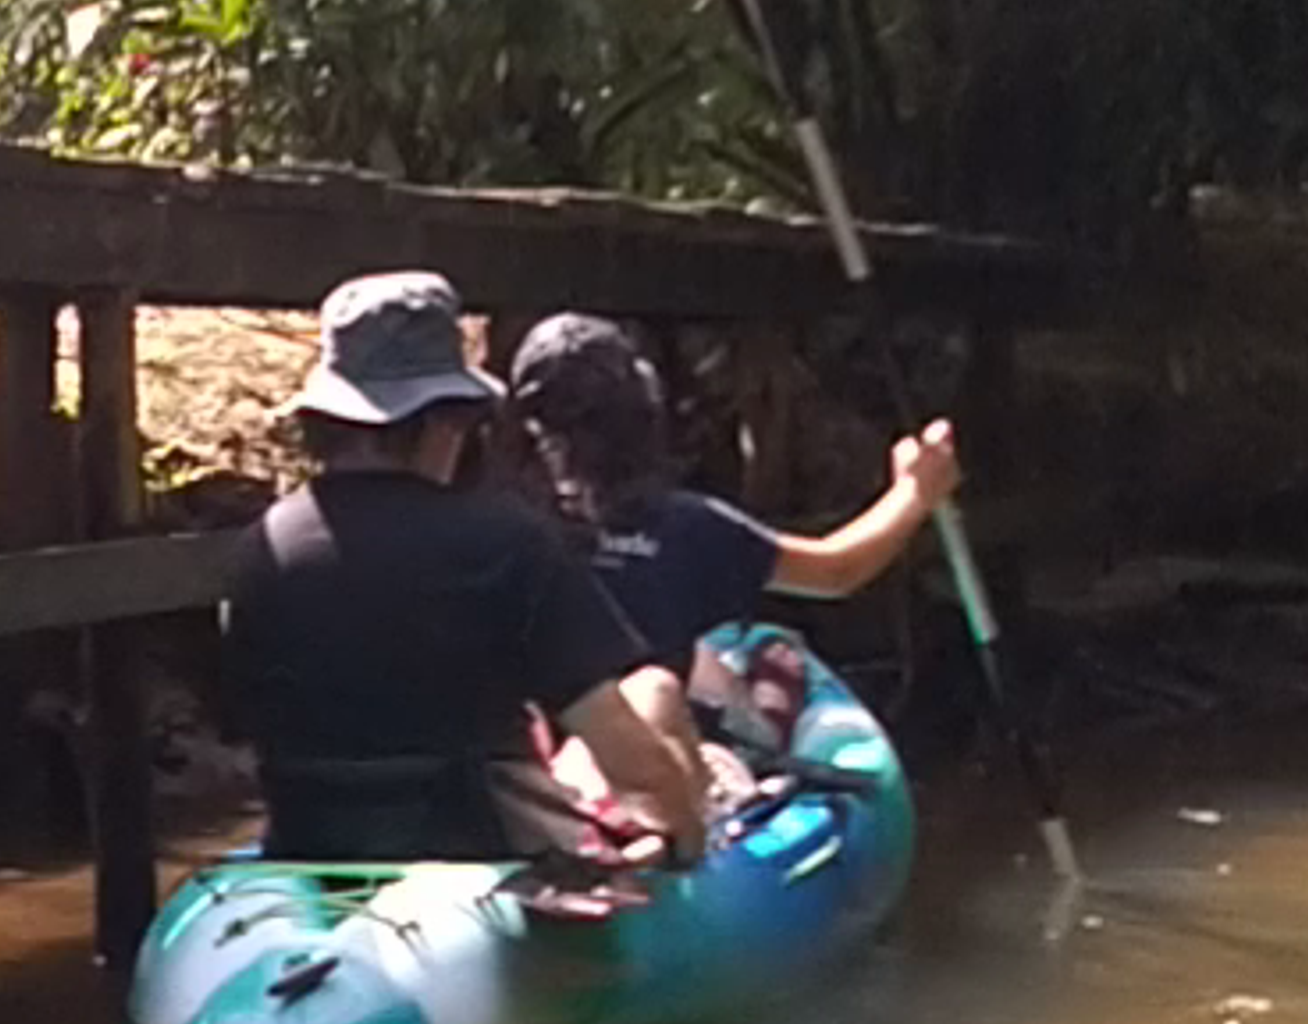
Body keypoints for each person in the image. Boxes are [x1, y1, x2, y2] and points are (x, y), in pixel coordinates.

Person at [220, 269, 713, 872]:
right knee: (653, 691)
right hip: (483, 864)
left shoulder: (258, 548)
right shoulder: (507, 542)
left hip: (313, 855)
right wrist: (687, 841)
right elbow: (629, 758)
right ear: (441, 421)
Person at [504, 311, 964, 685]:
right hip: (669, 756)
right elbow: (836, 571)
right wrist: (916, 490)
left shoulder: (519, 530)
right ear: (644, 407)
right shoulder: (690, 525)